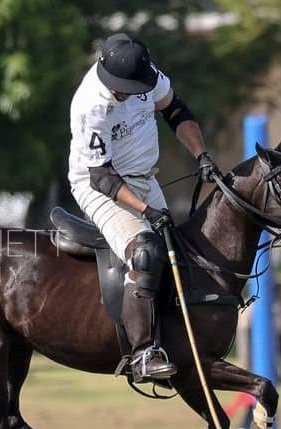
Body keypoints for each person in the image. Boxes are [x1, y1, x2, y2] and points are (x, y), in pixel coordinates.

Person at [67, 32, 221, 383]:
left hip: (144, 177)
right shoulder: (90, 104)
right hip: (100, 185)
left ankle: (178, 338)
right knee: (146, 251)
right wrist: (145, 210)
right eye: (120, 87)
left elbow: (175, 110)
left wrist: (202, 155)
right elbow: (101, 177)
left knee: (179, 252)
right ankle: (143, 354)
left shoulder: (147, 76)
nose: (125, 92)